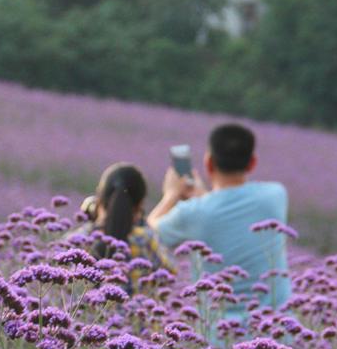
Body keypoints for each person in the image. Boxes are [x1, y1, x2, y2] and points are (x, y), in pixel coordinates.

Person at [147, 123, 291, 313]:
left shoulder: (193, 213)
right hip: (277, 331)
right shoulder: (275, 196)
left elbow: (149, 233)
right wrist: (203, 196)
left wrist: (171, 195)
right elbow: (227, 209)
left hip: (218, 335)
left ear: (209, 163)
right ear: (252, 163)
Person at [74, 162, 172, 274]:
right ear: (139, 205)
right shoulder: (144, 239)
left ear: (99, 197)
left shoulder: (79, 240)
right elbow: (171, 269)